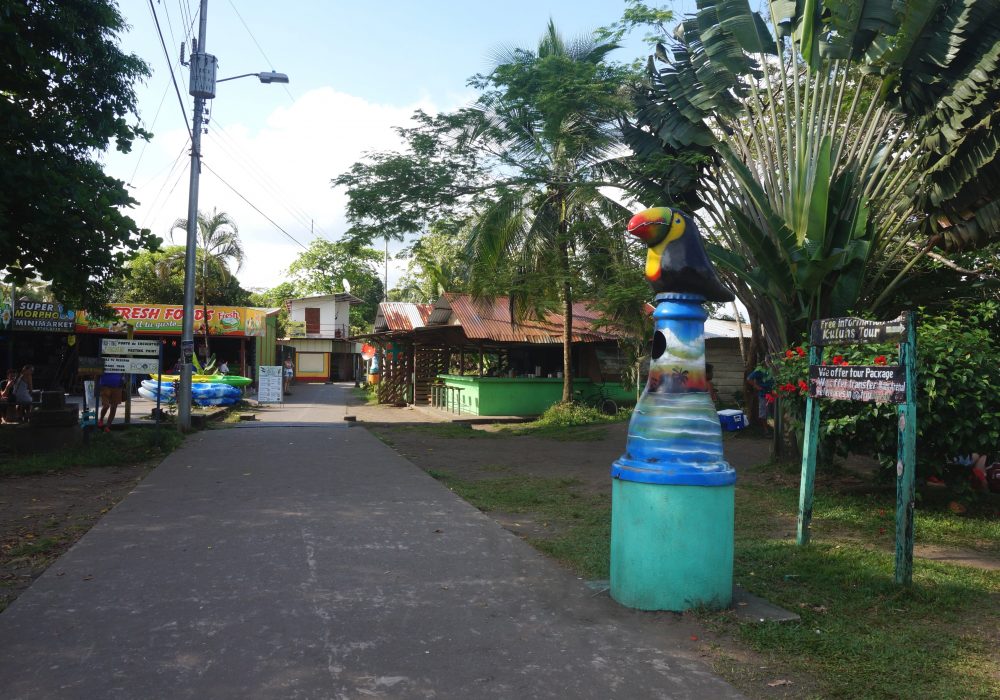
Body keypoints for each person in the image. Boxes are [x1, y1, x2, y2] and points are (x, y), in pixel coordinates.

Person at [746, 366, 773, 430]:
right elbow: (749, 378)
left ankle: (773, 428)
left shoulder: (773, 368)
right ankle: (766, 430)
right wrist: (757, 386)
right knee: (764, 413)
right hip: (763, 394)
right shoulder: (760, 369)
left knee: (772, 412)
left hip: (774, 393)